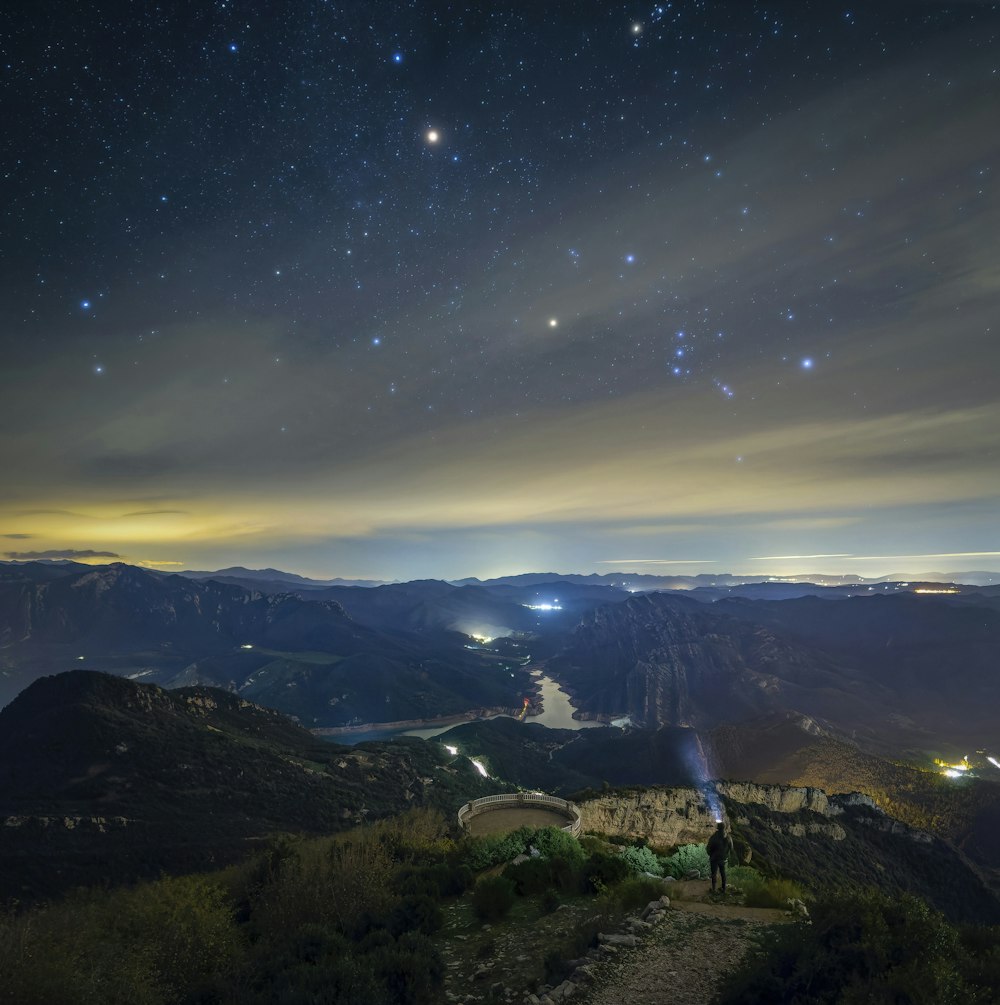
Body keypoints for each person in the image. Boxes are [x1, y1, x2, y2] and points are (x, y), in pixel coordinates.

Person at [706, 821, 733, 894]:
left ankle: (714, 889)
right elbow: (731, 848)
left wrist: (710, 855)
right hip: (723, 858)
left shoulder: (714, 837)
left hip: (714, 858)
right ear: (724, 827)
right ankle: (723, 889)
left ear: (718, 827)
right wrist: (726, 856)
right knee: (723, 873)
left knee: (714, 873)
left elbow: (708, 847)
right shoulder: (728, 837)